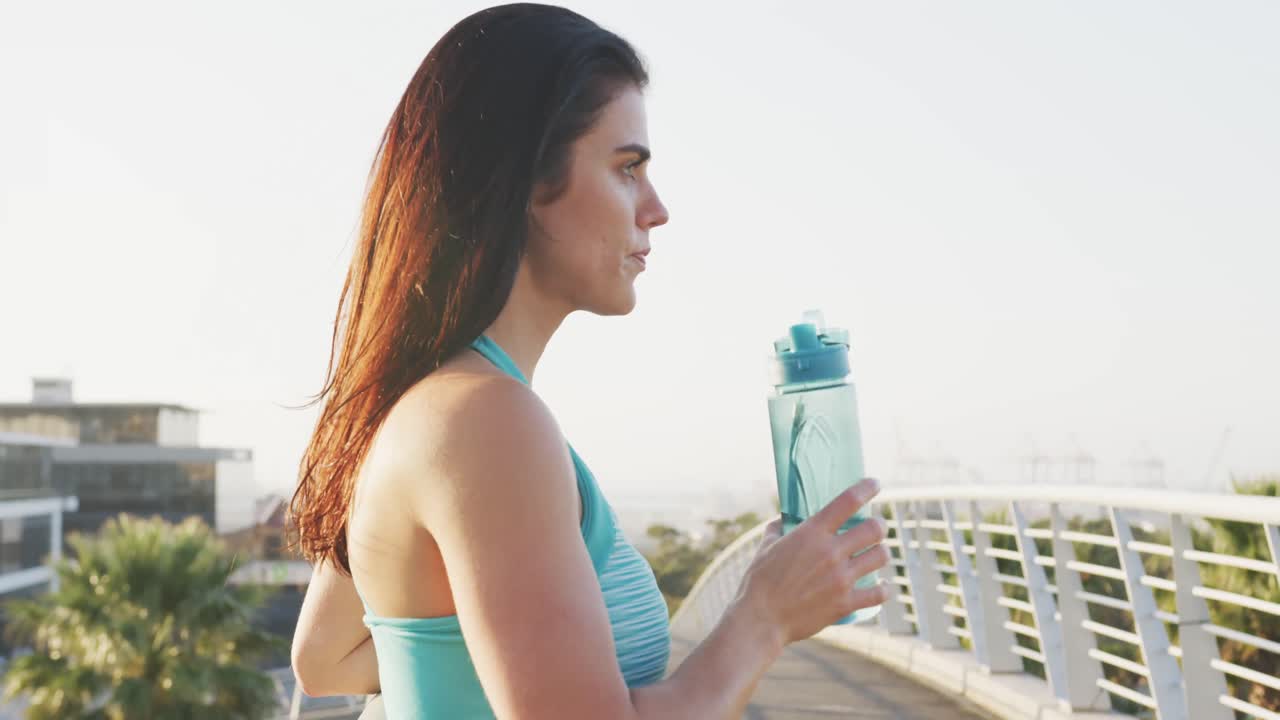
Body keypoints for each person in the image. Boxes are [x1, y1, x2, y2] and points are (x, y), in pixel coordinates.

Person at [287, 4, 892, 718]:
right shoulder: (483, 421)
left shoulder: (427, 404)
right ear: (524, 179)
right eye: (627, 167)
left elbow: (325, 658)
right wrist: (762, 620)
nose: (656, 209)